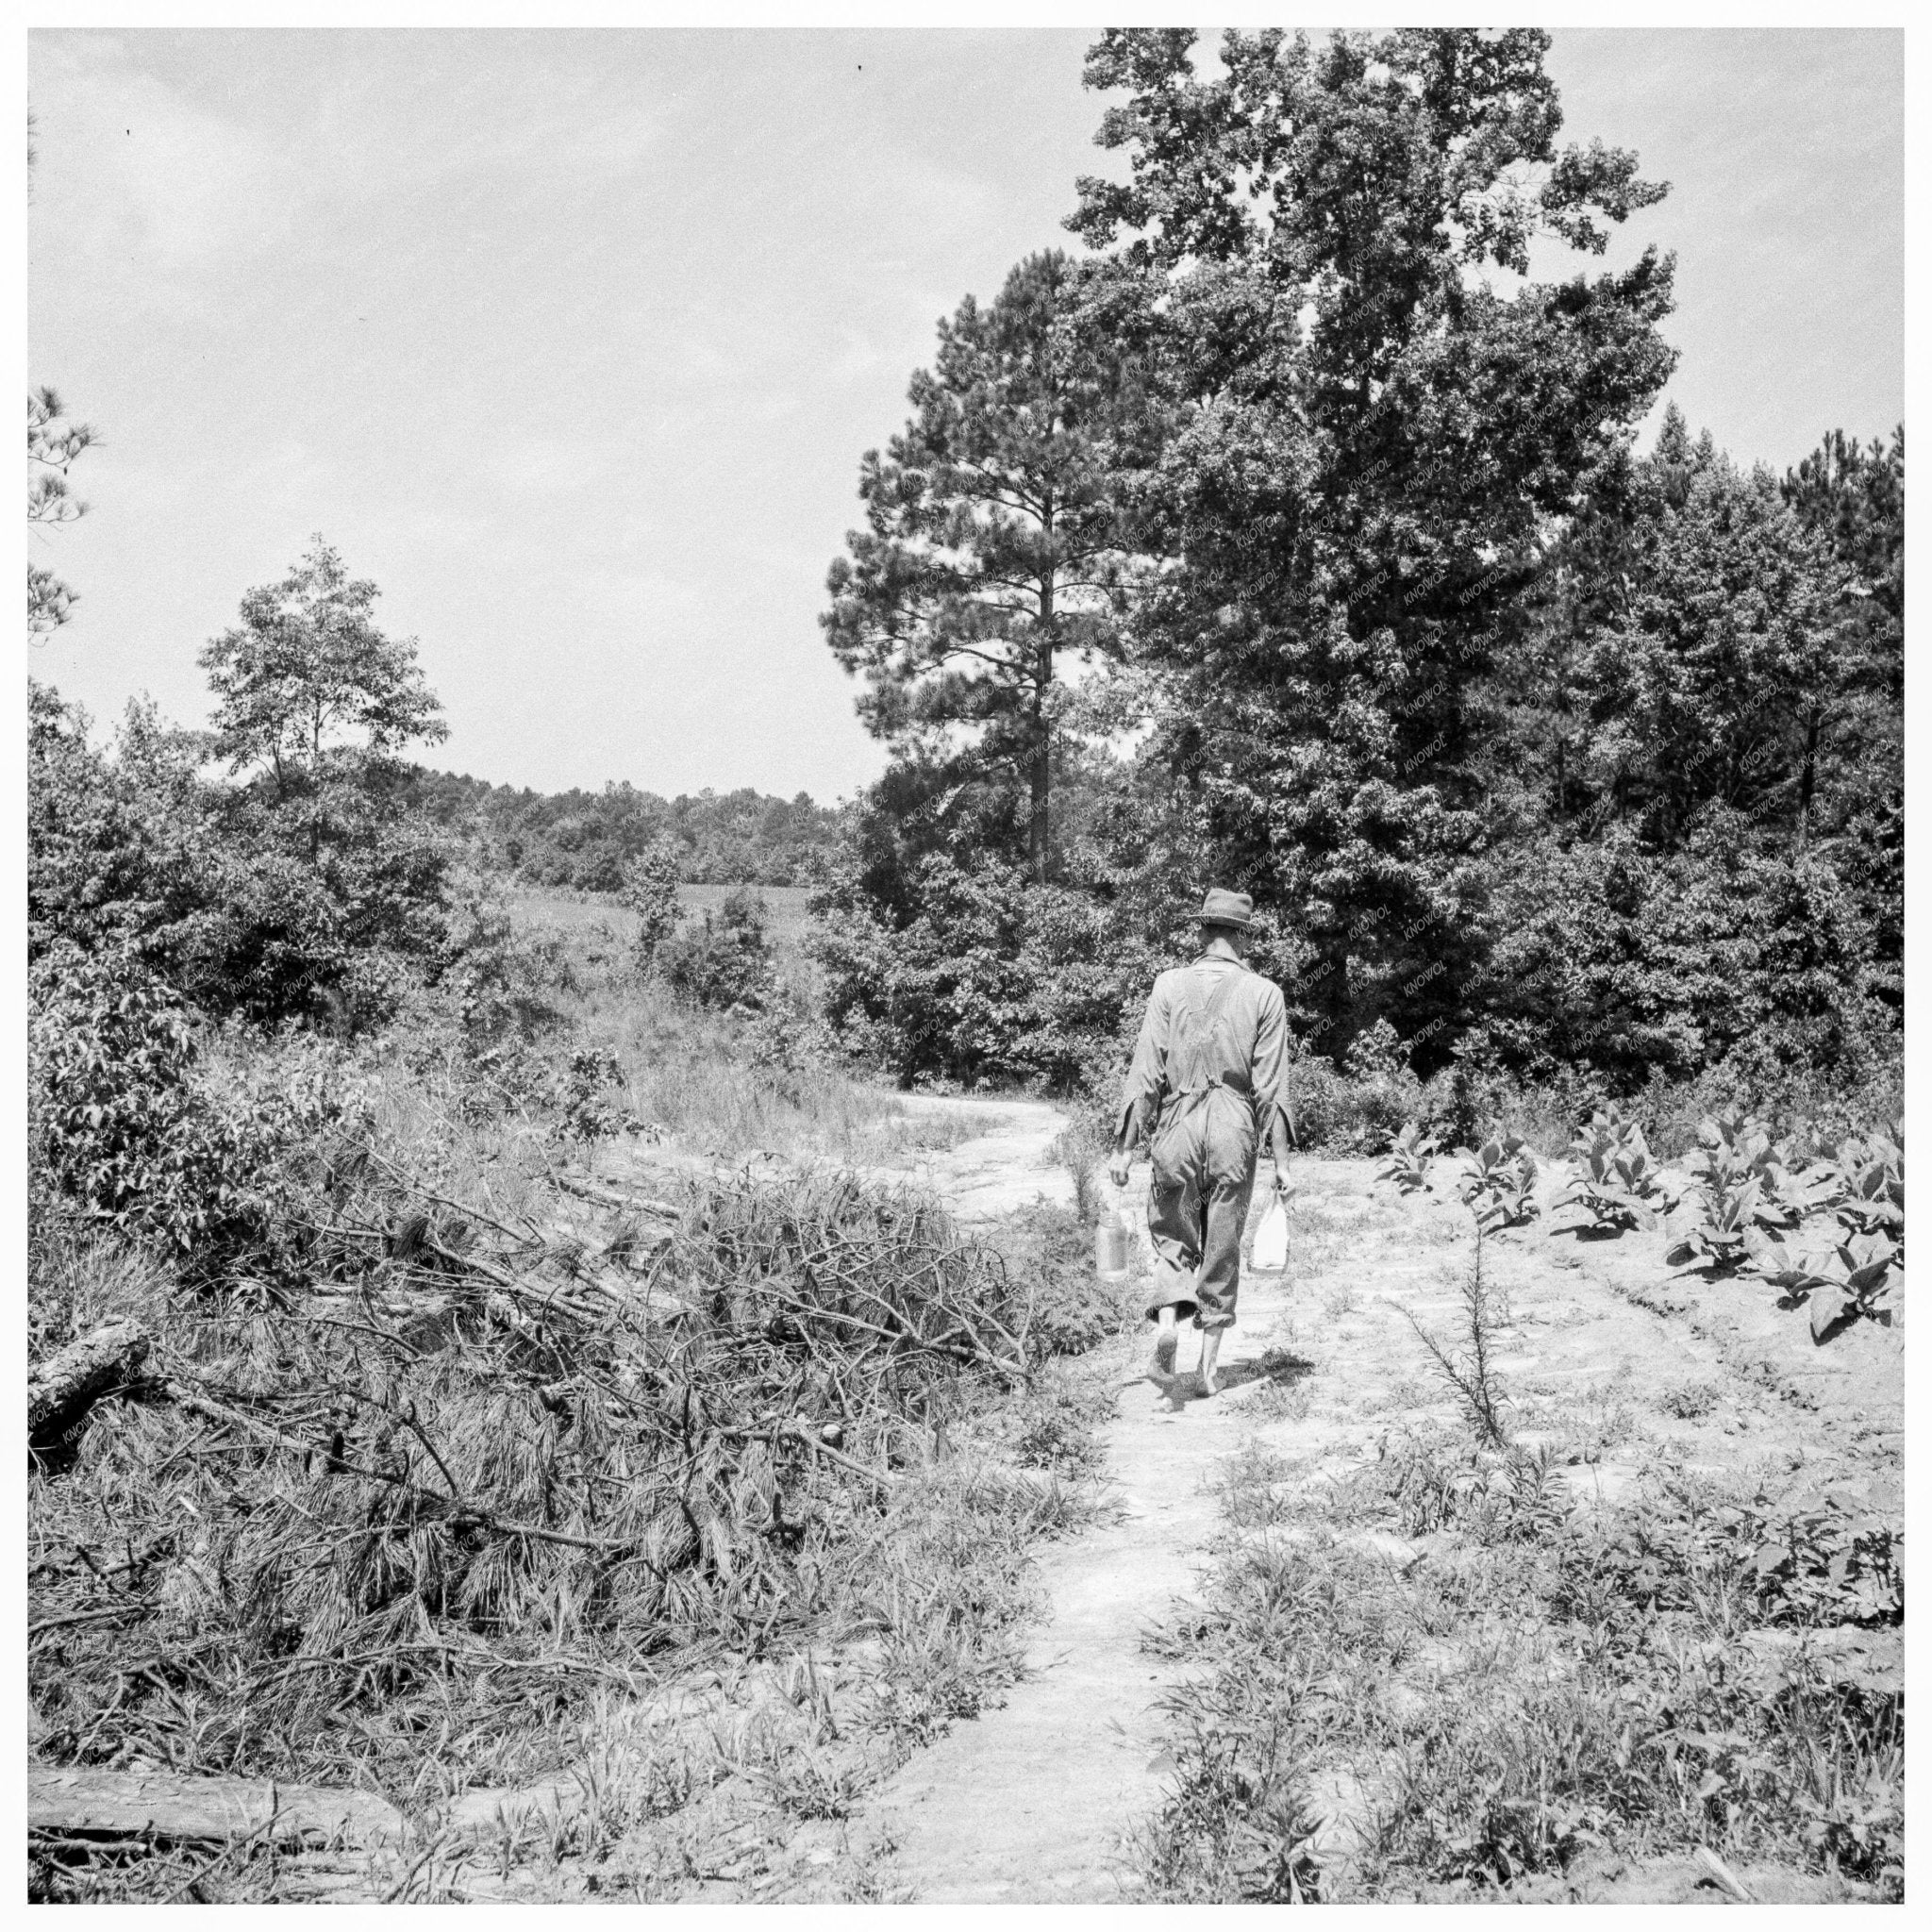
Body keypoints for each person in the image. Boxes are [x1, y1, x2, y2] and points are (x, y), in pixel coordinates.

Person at [1108, 888, 1295, 1396]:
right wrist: (1281, 1164)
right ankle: (1208, 1373)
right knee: (1222, 1244)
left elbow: (1145, 1074)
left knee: (1173, 1233)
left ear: (1202, 932)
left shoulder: (1167, 987)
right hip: (1233, 1126)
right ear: (1242, 936)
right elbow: (1271, 1088)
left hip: (1177, 1125)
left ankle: (1168, 1322)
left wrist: (1124, 1150)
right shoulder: (1265, 994)